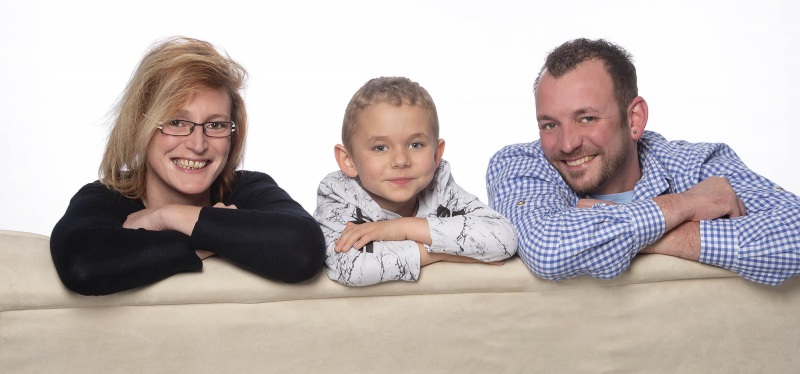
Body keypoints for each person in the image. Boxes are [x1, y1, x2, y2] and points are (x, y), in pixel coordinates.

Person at [486, 38, 800, 286]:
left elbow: (794, 233)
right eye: (550, 125)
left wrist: (620, 229)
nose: (568, 144)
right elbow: (548, 248)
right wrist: (684, 205)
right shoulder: (520, 164)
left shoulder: (697, 162)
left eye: (587, 118)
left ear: (634, 118)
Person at [51, 37, 325, 295]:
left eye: (216, 125)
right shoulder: (106, 196)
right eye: (176, 122)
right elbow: (82, 265)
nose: (198, 144)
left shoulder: (247, 188)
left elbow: (303, 250)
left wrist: (166, 217)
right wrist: (216, 238)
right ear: (140, 127)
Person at [314, 77, 517, 286]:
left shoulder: (440, 188)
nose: (401, 160)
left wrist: (402, 228)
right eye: (380, 148)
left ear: (436, 154)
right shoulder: (337, 196)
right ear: (348, 160)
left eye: (416, 144)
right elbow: (351, 268)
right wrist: (444, 254)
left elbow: (504, 239)